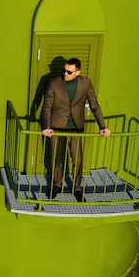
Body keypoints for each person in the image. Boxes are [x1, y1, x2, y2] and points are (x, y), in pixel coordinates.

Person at [41, 57, 111, 202]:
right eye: (64, 70)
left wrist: (102, 126)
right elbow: (47, 106)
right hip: (56, 127)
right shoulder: (54, 83)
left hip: (76, 127)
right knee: (55, 158)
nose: (65, 74)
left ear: (77, 72)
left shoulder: (86, 84)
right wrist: (46, 127)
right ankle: (57, 185)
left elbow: (94, 105)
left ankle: (77, 188)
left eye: (69, 72)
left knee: (78, 160)